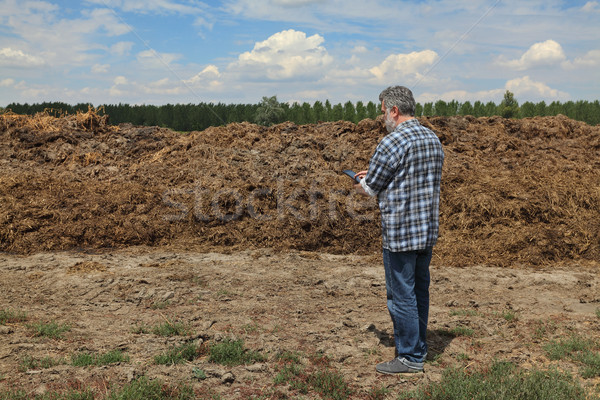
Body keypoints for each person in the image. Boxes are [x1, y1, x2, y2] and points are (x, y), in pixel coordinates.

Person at [354, 85, 444, 374]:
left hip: (401, 233)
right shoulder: (432, 138)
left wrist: (361, 182)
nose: (382, 119)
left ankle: (409, 358)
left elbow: (371, 189)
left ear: (394, 110)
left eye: (383, 112)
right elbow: (410, 175)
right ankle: (419, 347)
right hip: (426, 231)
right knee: (420, 290)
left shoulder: (391, 143)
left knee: (401, 295)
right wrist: (377, 175)